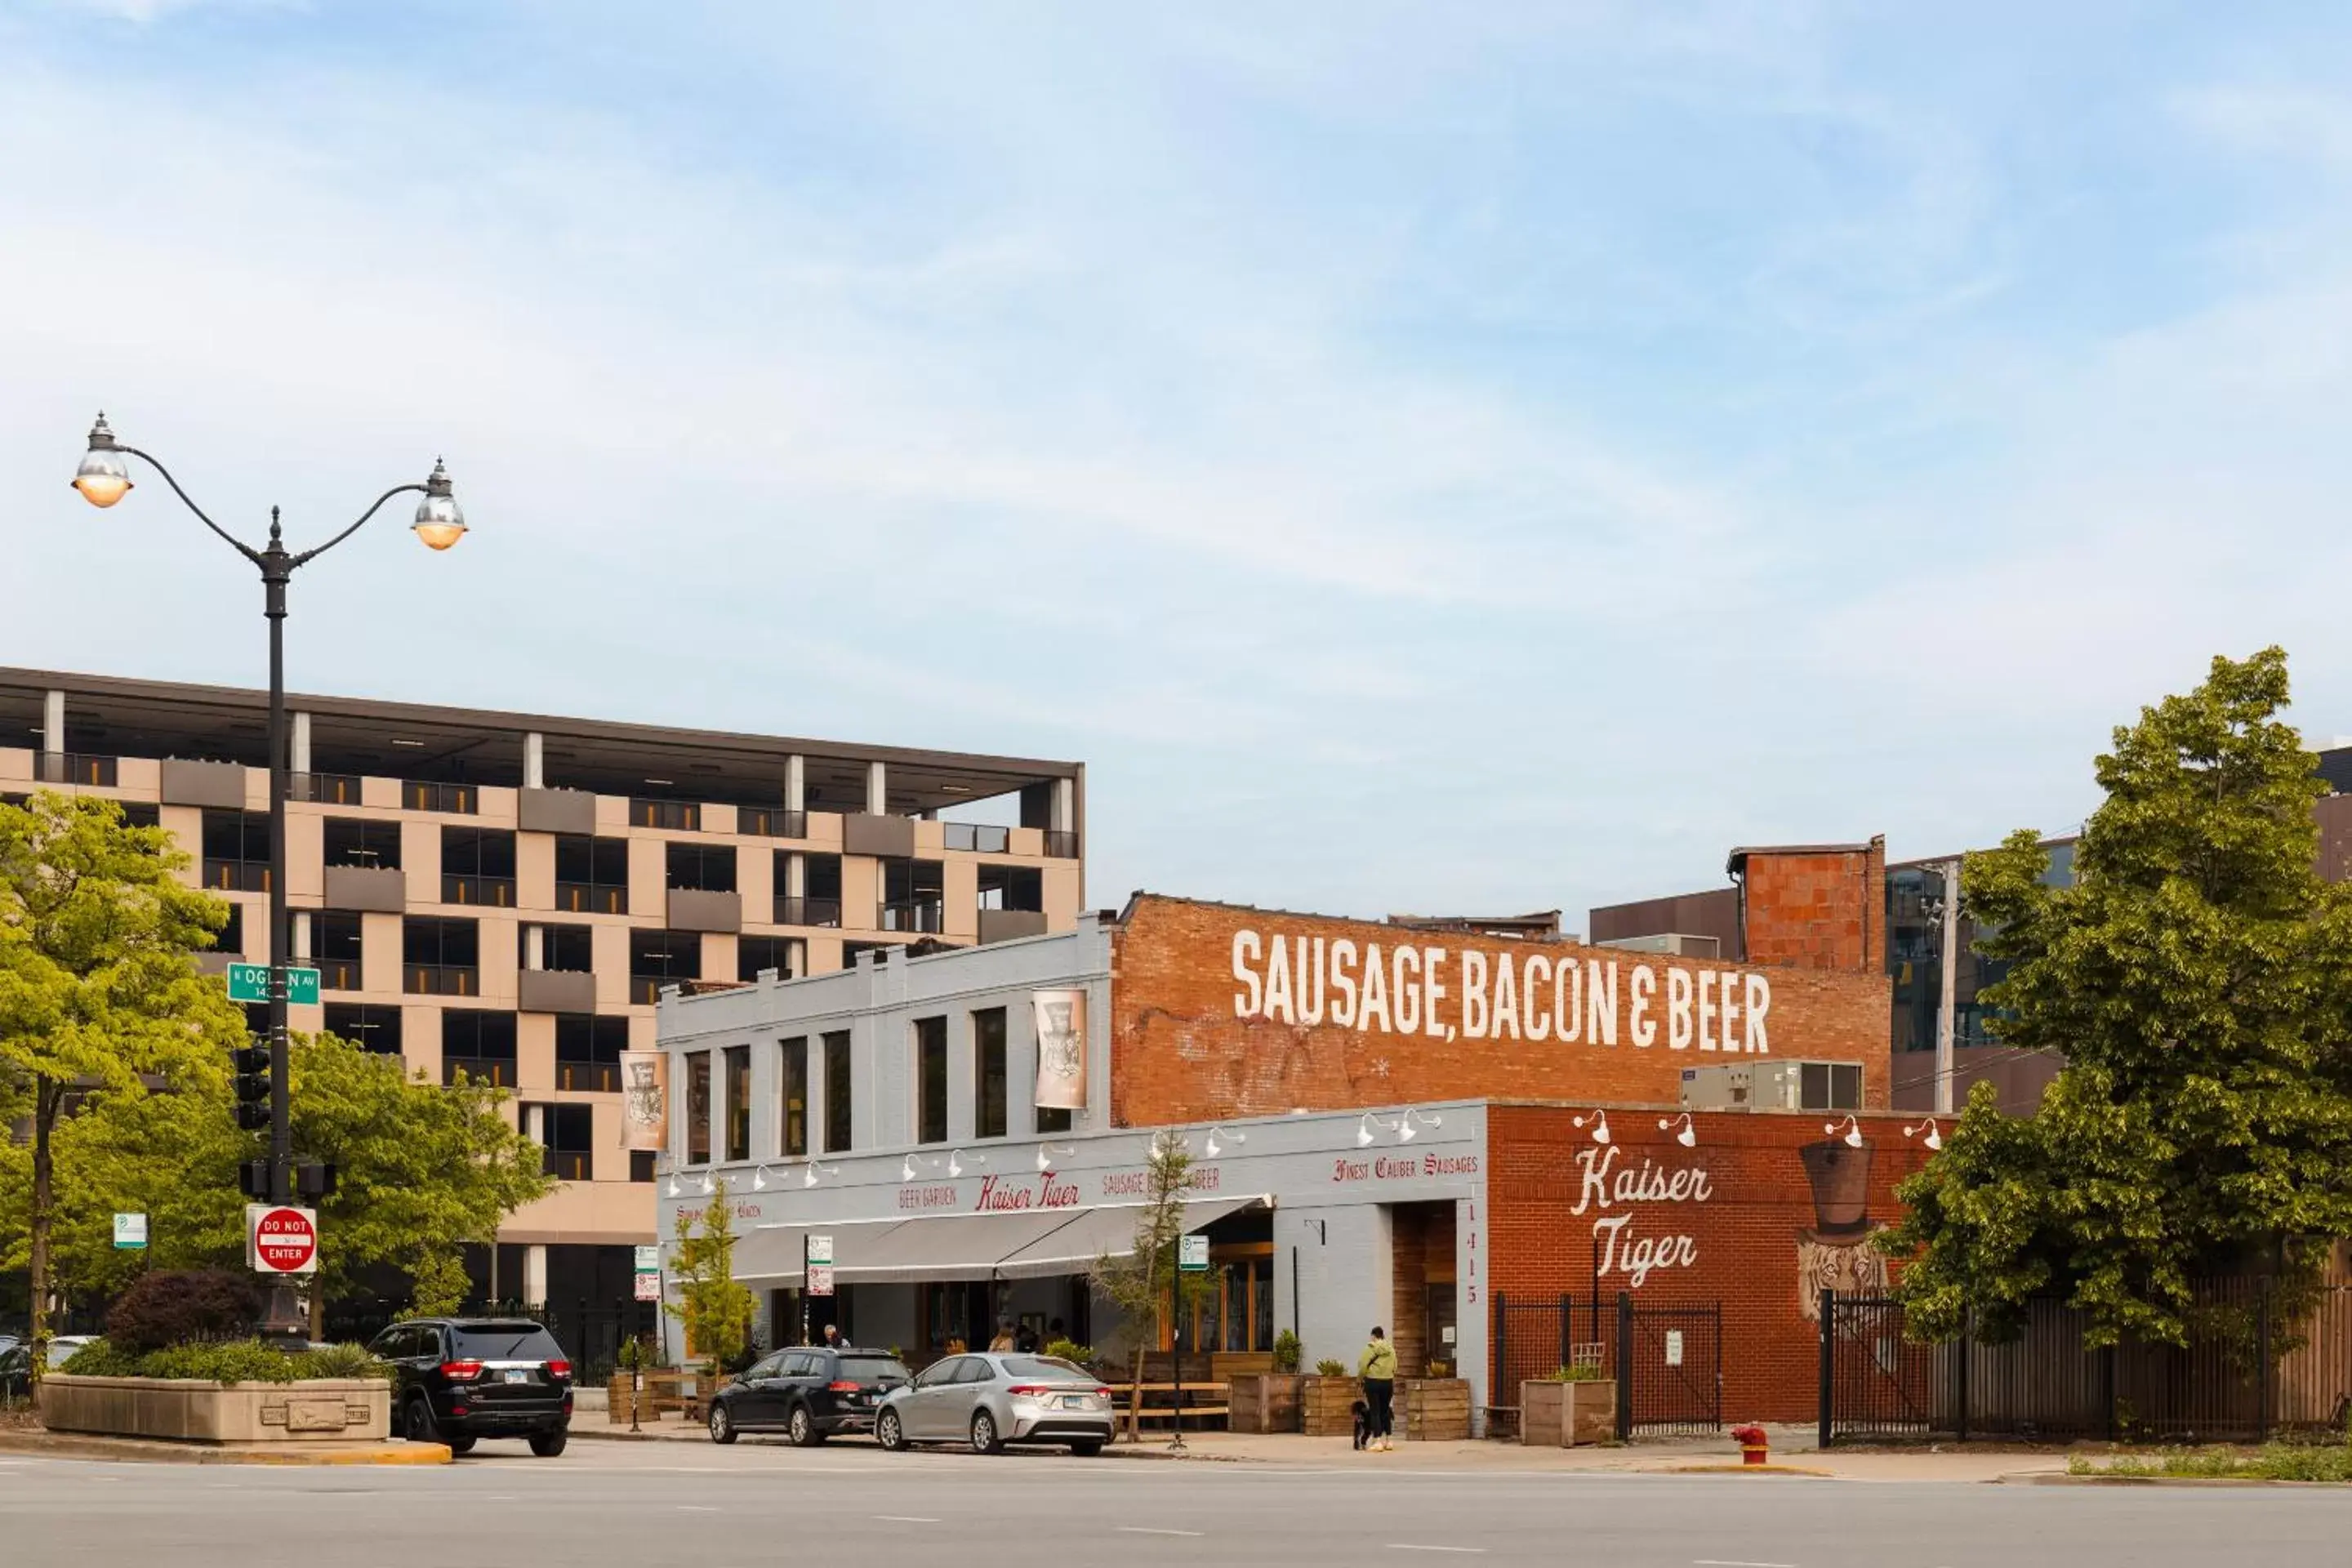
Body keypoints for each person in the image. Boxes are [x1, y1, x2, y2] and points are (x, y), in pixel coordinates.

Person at [1358, 1326, 1397, 1451]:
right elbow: (1395, 1366)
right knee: (1385, 1411)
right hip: (1388, 1382)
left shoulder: (1370, 1348)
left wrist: (1360, 1379)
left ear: (1374, 1336)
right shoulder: (1391, 1349)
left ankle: (1377, 1441)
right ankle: (1389, 1441)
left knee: (1375, 1411)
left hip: (1373, 1382)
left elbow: (1363, 1365)